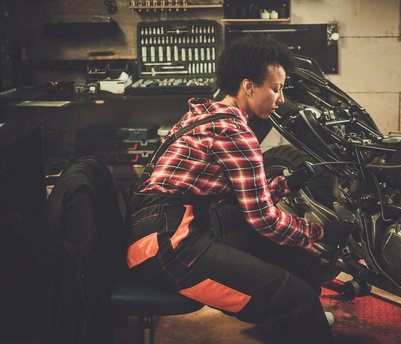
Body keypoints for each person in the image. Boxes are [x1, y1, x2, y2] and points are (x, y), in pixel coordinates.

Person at [126, 35, 353, 344]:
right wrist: (323, 232)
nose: (281, 98)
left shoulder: (203, 113)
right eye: (276, 89)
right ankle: (301, 309)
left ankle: (305, 317)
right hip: (166, 247)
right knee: (294, 296)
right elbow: (266, 220)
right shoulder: (235, 132)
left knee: (264, 239)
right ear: (249, 87)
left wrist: (283, 185)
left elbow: (236, 192)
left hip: (161, 224)